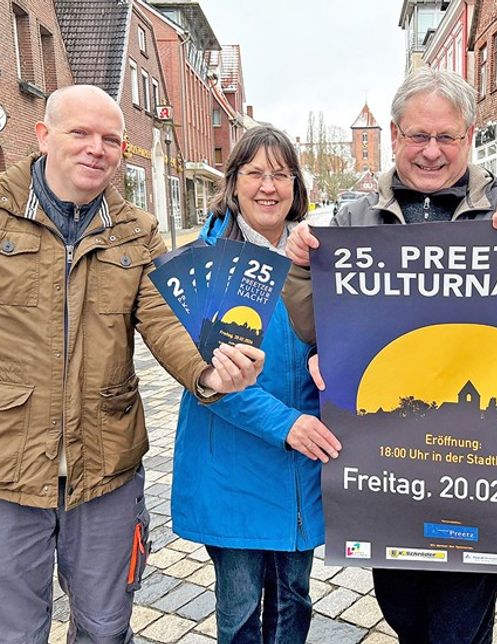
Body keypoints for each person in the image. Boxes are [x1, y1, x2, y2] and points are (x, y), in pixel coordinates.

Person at [0, 85, 264, 643]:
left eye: (111, 139)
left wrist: (209, 372)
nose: (96, 149)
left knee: (107, 631)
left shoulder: (135, 229)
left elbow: (165, 321)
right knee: (0, 636)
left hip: (105, 477)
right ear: (42, 137)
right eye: (80, 133)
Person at [284, 66, 497, 644]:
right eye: (418, 136)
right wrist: (299, 263)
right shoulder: (353, 220)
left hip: (484, 483)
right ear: (394, 135)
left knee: (458, 625)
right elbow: (315, 326)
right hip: (391, 481)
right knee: (405, 613)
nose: (432, 152)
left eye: (447, 137)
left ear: (470, 136)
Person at [172, 126, 341, 644]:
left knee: (294, 602)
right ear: (234, 182)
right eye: (255, 173)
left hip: (302, 464)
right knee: (242, 610)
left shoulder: (321, 256)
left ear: (297, 184)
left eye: (281, 173)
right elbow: (215, 378)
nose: (269, 186)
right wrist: (286, 424)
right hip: (235, 466)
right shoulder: (208, 261)